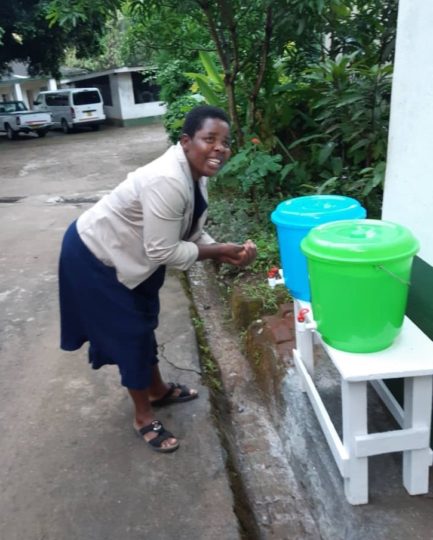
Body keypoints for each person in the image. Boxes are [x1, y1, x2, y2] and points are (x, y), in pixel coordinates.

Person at [59, 105, 257, 453]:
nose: (219, 149)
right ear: (186, 141)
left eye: (224, 142)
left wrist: (222, 250)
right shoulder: (168, 179)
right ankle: (142, 414)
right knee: (131, 334)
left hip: (135, 256)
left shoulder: (196, 175)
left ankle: (157, 389)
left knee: (144, 322)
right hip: (96, 256)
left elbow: (189, 231)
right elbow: (164, 251)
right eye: (209, 139)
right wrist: (218, 250)